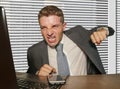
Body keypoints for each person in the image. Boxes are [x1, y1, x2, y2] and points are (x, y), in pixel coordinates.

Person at [27, 5, 114, 76]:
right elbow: (29, 76)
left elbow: (109, 30)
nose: (49, 32)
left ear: (64, 26)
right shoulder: (34, 52)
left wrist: (103, 31)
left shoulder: (79, 34)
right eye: (44, 28)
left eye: (55, 26)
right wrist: (37, 74)